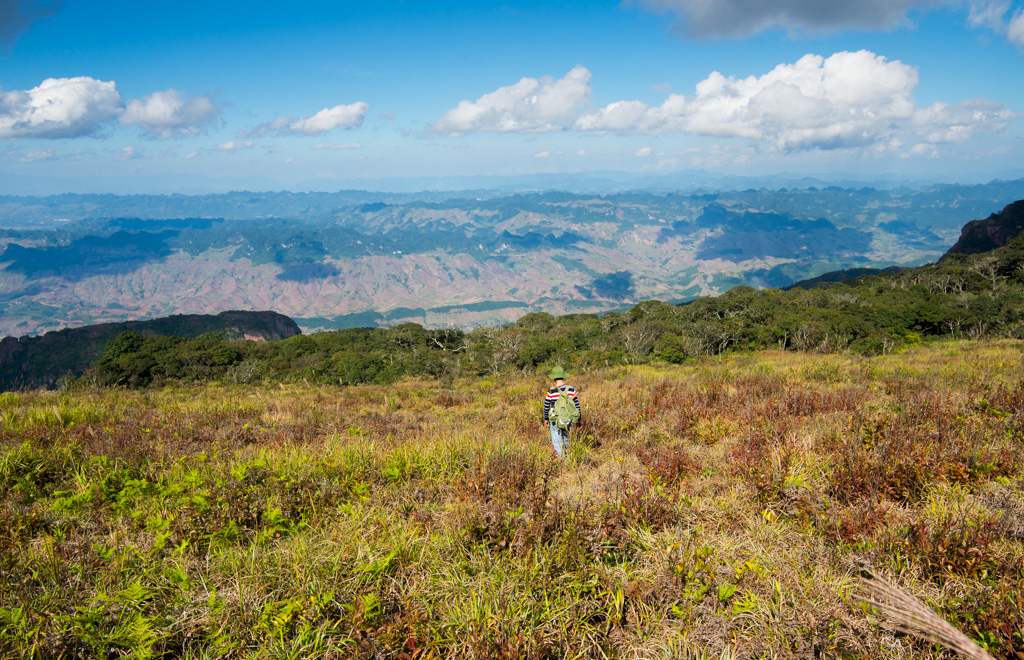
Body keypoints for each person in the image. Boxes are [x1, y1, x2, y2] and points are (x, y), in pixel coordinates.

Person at [543, 366, 581, 458]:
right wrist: (579, 419)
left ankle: (562, 460)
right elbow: (576, 405)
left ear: (554, 378)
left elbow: (546, 405)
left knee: (556, 439)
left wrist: (545, 419)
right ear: (563, 377)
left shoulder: (551, 391)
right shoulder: (571, 389)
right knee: (566, 437)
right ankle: (567, 457)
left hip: (555, 419)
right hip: (567, 418)